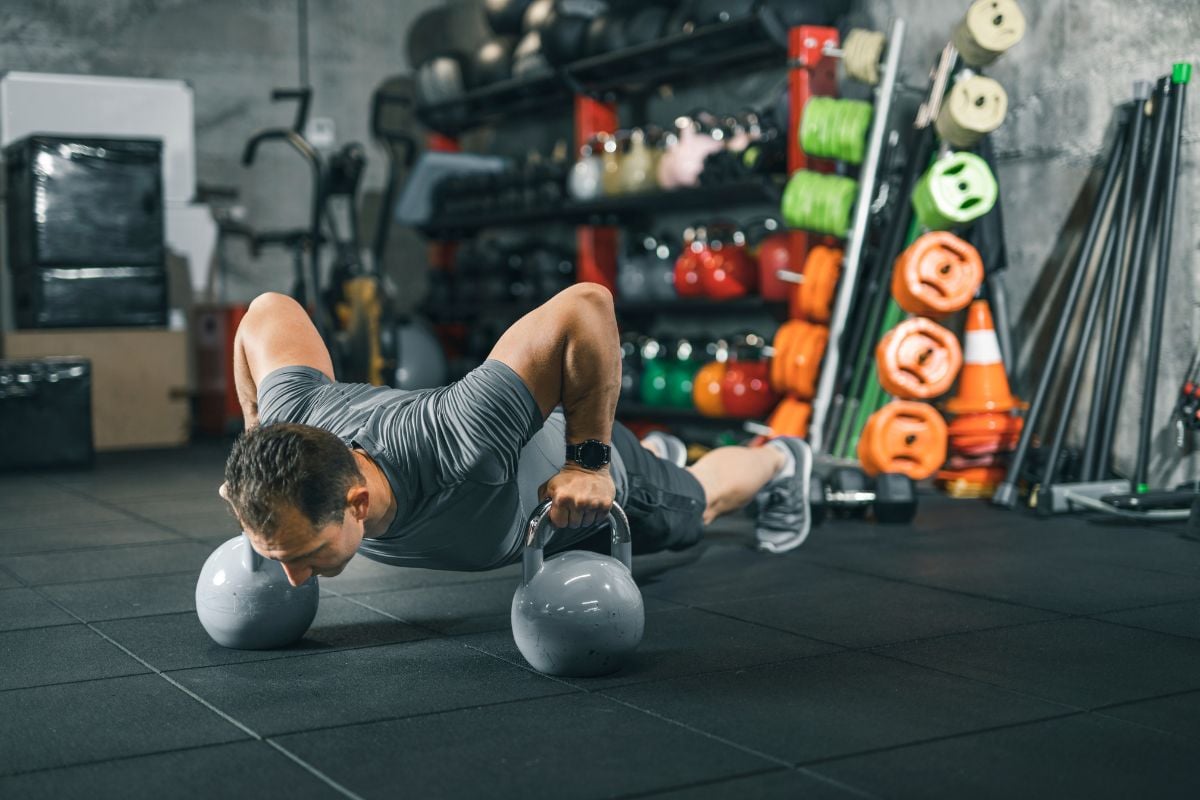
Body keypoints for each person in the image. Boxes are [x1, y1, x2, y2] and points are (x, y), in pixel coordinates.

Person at [219, 285, 812, 588]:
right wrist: (256, 439)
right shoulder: (293, 424)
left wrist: (588, 463)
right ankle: (653, 451)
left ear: (357, 502)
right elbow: (267, 311)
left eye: (304, 556)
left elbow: (588, 305)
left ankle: (782, 463)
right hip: (523, 480)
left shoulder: (461, 436)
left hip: (587, 496)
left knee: (697, 506)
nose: (293, 578)